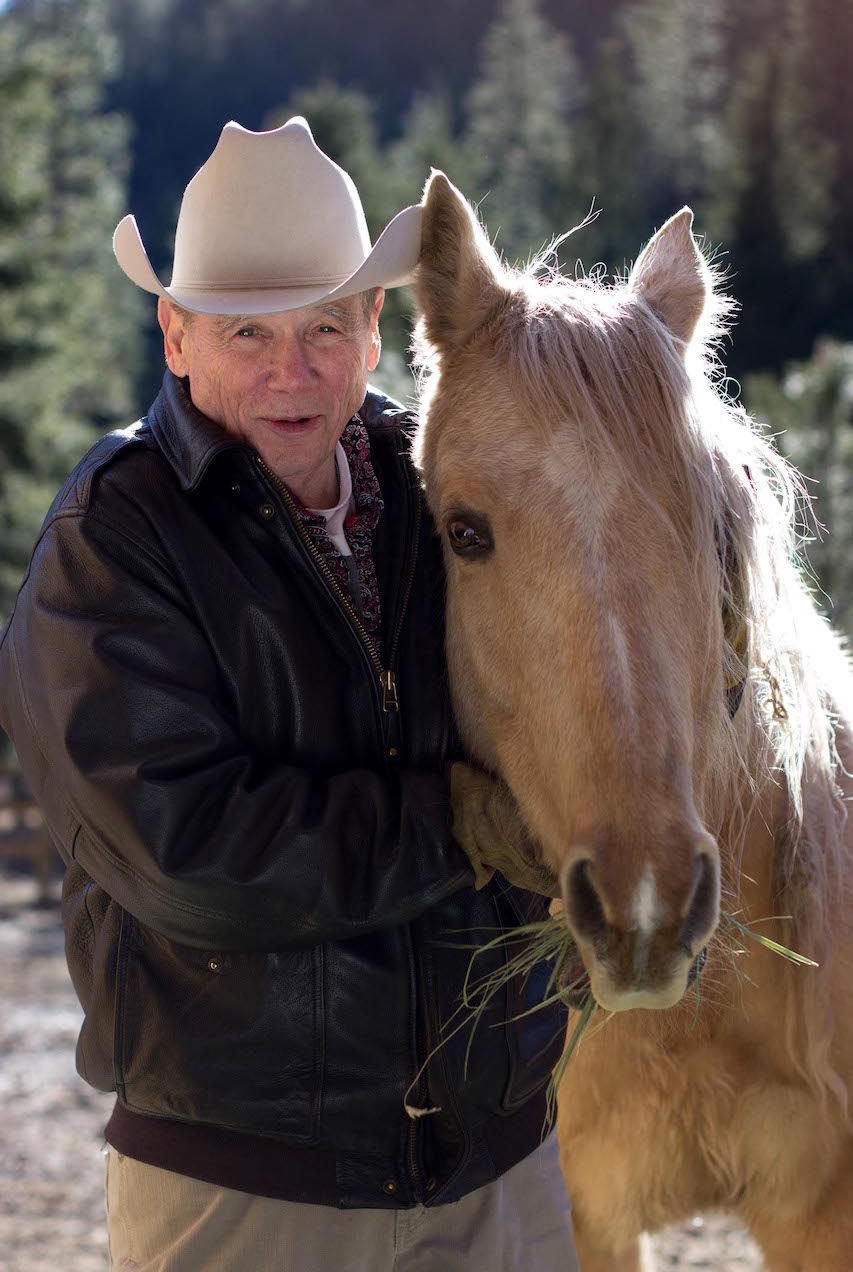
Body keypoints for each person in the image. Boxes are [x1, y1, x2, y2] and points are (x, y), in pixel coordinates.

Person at [0, 117, 579, 1271]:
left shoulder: (449, 499)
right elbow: (190, 855)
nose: (291, 371)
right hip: (246, 1184)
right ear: (174, 335)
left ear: (375, 332)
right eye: (246, 333)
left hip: (500, 1166)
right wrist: (457, 822)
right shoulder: (114, 535)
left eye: (324, 326)